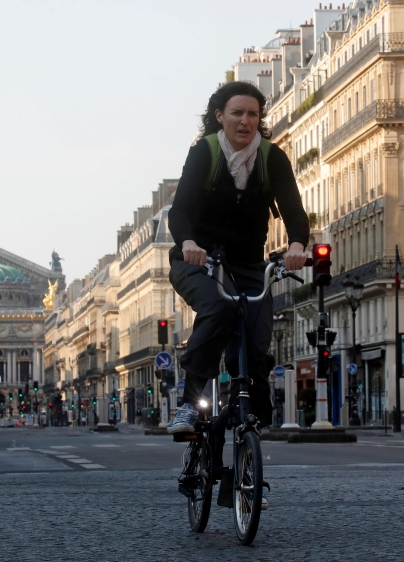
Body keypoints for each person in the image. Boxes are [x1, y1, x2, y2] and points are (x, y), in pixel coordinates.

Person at [165, 82, 310, 507]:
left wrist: (298, 244)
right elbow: (180, 209)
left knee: (255, 356)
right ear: (219, 116)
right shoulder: (205, 153)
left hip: (249, 266)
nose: (246, 121)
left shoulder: (271, 157)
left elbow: (294, 209)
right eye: (237, 113)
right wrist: (188, 241)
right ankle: (191, 405)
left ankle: (244, 463)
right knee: (217, 311)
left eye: (253, 114)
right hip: (198, 261)